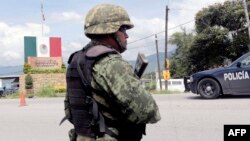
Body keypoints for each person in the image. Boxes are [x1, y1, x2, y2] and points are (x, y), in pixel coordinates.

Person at [64, 4, 161, 141]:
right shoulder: (111, 63)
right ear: (109, 31)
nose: (126, 35)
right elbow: (148, 112)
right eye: (123, 29)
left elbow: (69, 110)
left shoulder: (76, 60)